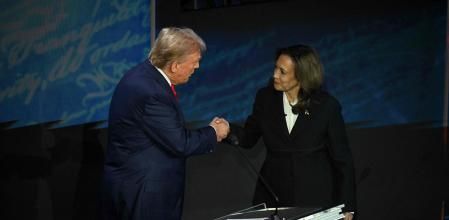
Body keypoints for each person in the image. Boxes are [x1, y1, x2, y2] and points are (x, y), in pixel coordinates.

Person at [102, 27, 229, 220]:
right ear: (175, 66)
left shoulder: (144, 75)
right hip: (145, 195)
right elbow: (180, 143)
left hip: (134, 186)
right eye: (194, 62)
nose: (197, 67)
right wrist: (214, 132)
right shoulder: (152, 92)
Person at [227, 44, 356, 219]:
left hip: (316, 197)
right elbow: (248, 138)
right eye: (275, 68)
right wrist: (226, 130)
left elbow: (343, 160)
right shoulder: (265, 99)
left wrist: (347, 206)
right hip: (275, 196)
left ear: (302, 75)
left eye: (282, 71)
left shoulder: (326, 106)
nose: (275, 75)